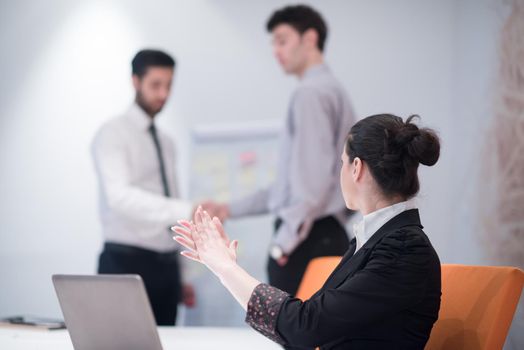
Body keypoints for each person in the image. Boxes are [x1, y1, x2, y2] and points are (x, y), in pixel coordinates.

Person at [173, 114, 442, 349]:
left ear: (357, 168)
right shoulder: (380, 239)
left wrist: (226, 269)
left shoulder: (403, 249)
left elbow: (305, 326)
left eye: (342, 163)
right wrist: (226, 269)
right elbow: (306, 327)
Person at [203, 4, 356, 295]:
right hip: (322, 234)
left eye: (282, 40)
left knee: (294, 335)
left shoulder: (310, 93)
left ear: (310, 38)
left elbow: (309, 189)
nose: (275, 50)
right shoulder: (332, 89)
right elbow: (290, 188)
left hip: (307, 240)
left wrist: (282, 245)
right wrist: (229, 209)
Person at [92, 49, 195, 325]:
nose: (163, 94)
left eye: (169, 85)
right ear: (135, 81)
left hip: (167, 268)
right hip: (125, 263)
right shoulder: (112, 134)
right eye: (155, 85)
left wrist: (183, 274)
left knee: (165, 343)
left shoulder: (167, 142)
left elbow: (172, 203)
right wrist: (188, 208)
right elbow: (119, 197)